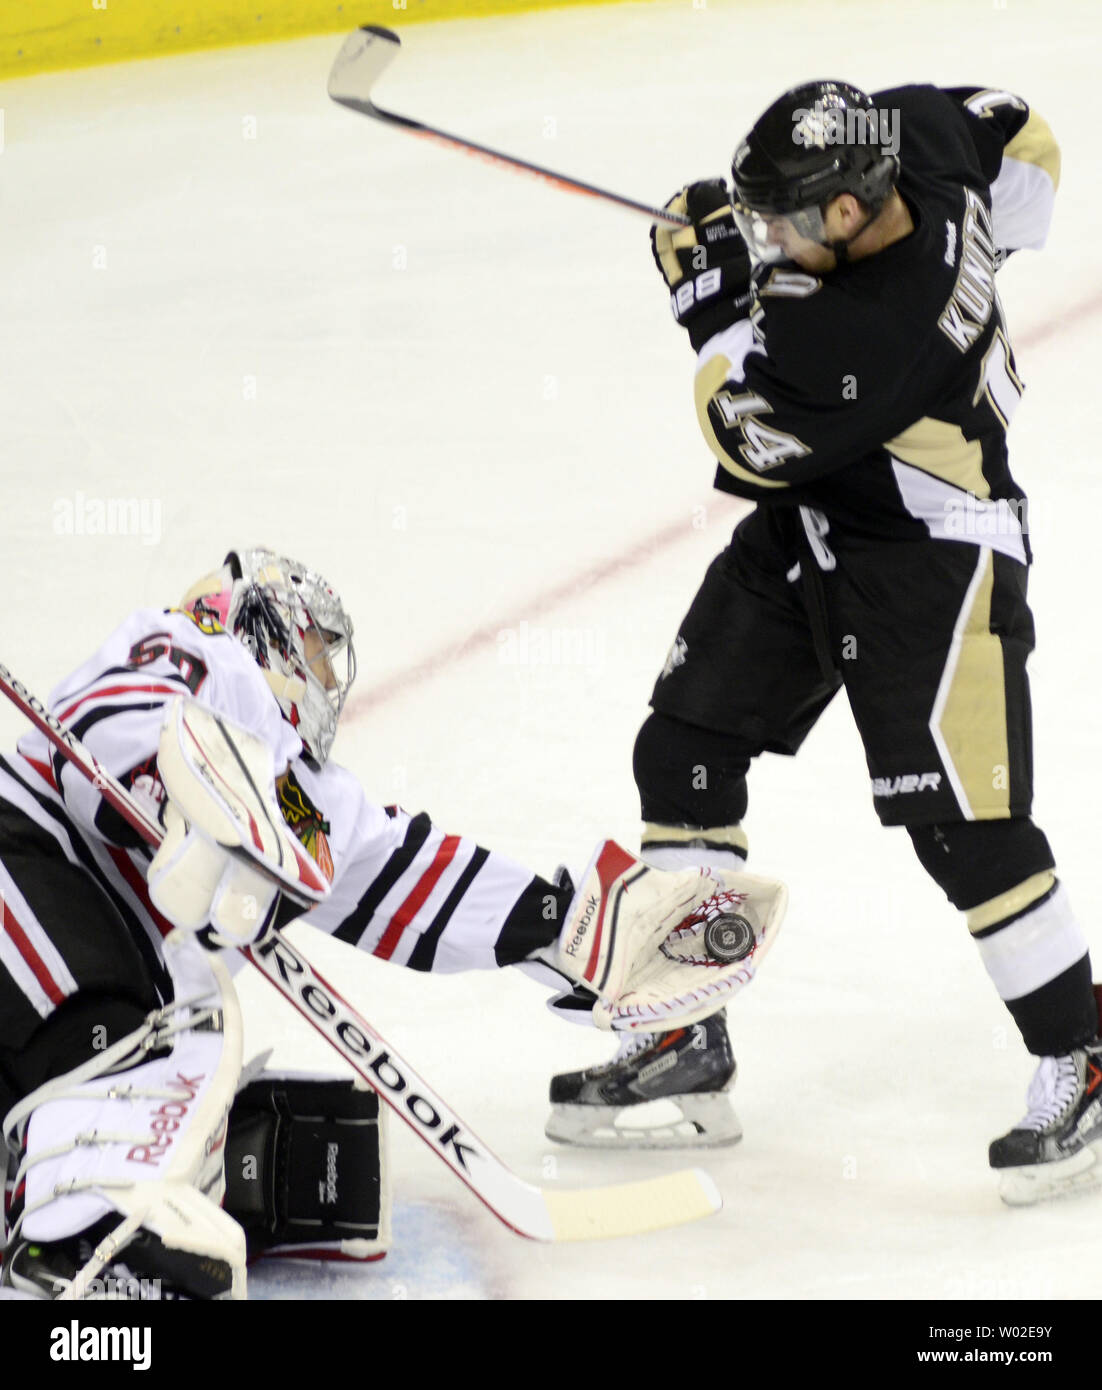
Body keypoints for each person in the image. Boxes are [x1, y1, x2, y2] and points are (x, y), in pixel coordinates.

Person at [549, 81, 1102, 1203]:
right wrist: (998, 241)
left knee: (967, 833)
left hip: (929, 555)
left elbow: (749, 433)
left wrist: (711, 300)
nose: (769, 241)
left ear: (851, 214)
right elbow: (1022, 129)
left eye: (786, 225)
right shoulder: (915, 139)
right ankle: (683, 1037)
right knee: (685, 748)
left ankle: (1081, 1060)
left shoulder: (863, 333)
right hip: (822, 522)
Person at [0, 547, 781, 1299]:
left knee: (245, 1120)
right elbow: (106, 723)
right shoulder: (189, 651)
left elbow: (403, 874)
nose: (325, 677)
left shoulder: (303, 798)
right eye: (315, 646)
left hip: (60, 987)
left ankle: (64, 1201)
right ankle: (82, 1244)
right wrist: (183, 796)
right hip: (20, 866)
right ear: (263, 622)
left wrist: (569, 926)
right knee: (118, 1035)